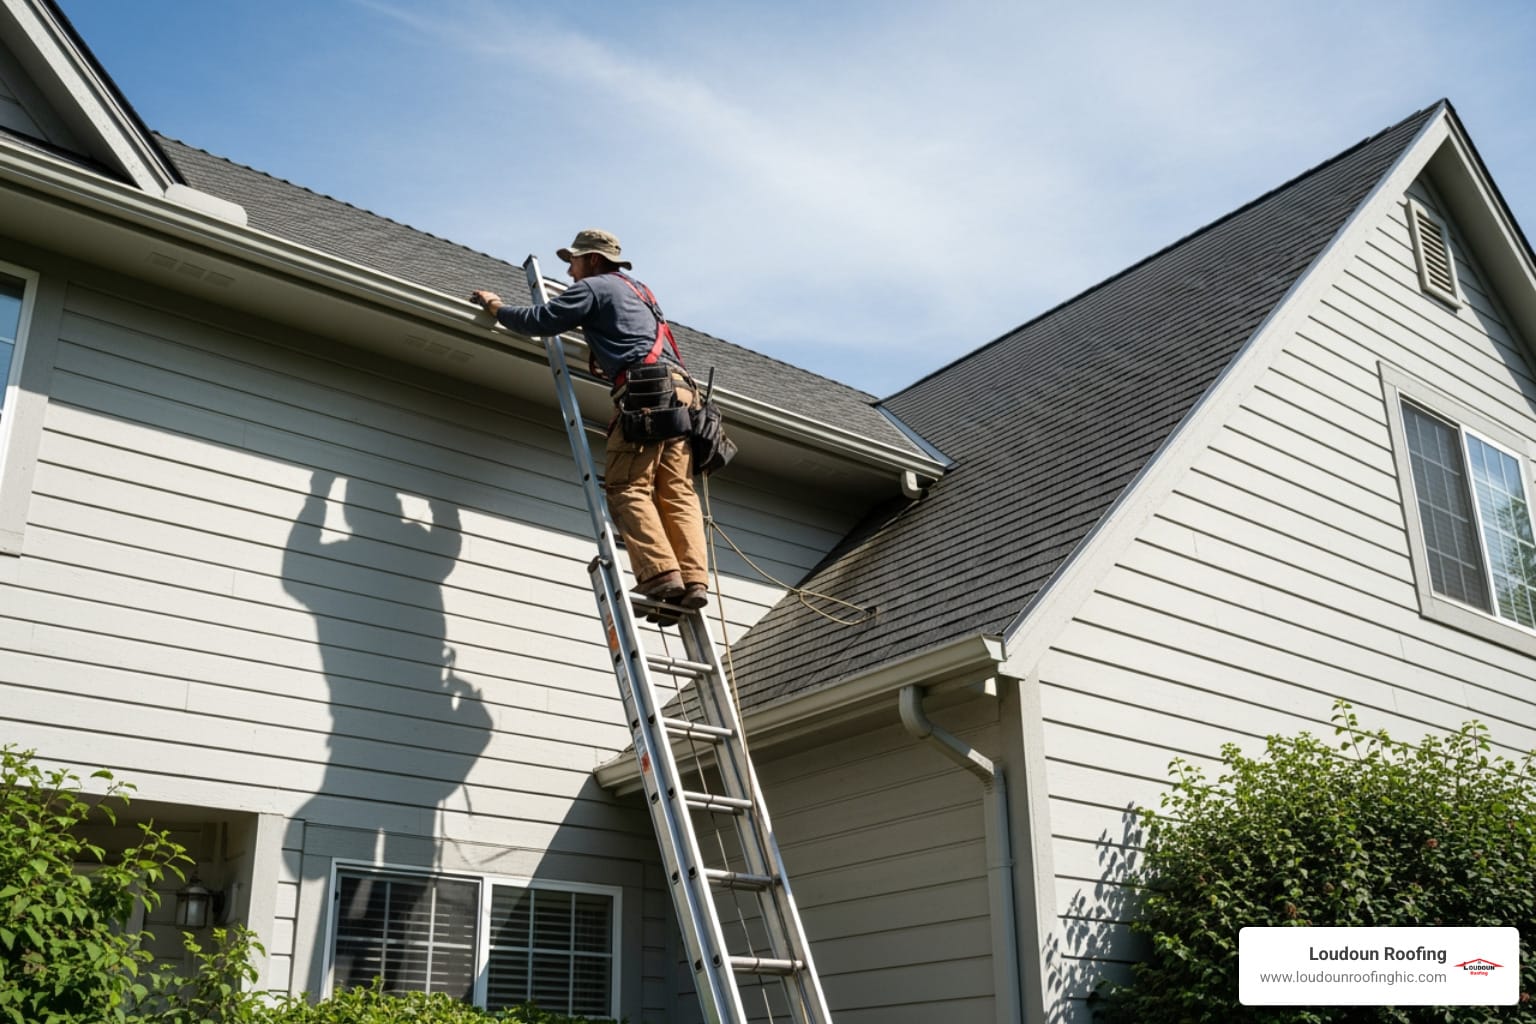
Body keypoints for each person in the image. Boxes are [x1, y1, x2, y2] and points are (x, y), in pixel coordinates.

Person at [471, 229, 709, 610]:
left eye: (574, 262)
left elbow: (542, 319)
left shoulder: (595, 287)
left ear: (594, 260)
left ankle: (661, 573)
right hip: (683, 395)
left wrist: (496, 307)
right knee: (677, 493)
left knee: (627, 486)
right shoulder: (640, 291)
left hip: (646, 393)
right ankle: (694, 579)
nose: (569, 272)